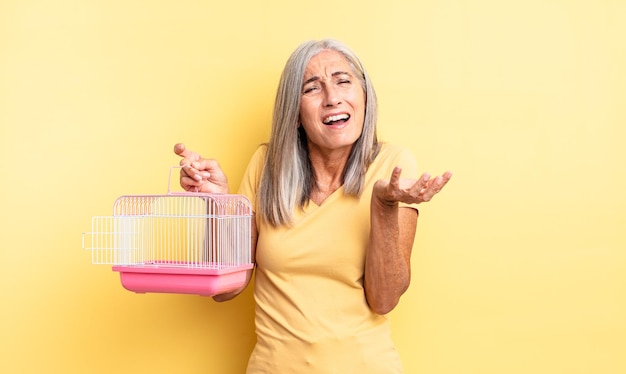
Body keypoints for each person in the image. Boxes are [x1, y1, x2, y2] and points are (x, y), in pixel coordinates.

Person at [174, 39, 452, 373]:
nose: (332, 98)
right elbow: (225, 291)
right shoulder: (266, 165)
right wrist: (219, 206)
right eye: (312, 88)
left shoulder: (392, 165)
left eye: (343, 81)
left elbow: (385, 299)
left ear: (365, 97)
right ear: (294, 115)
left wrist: (384, 204)